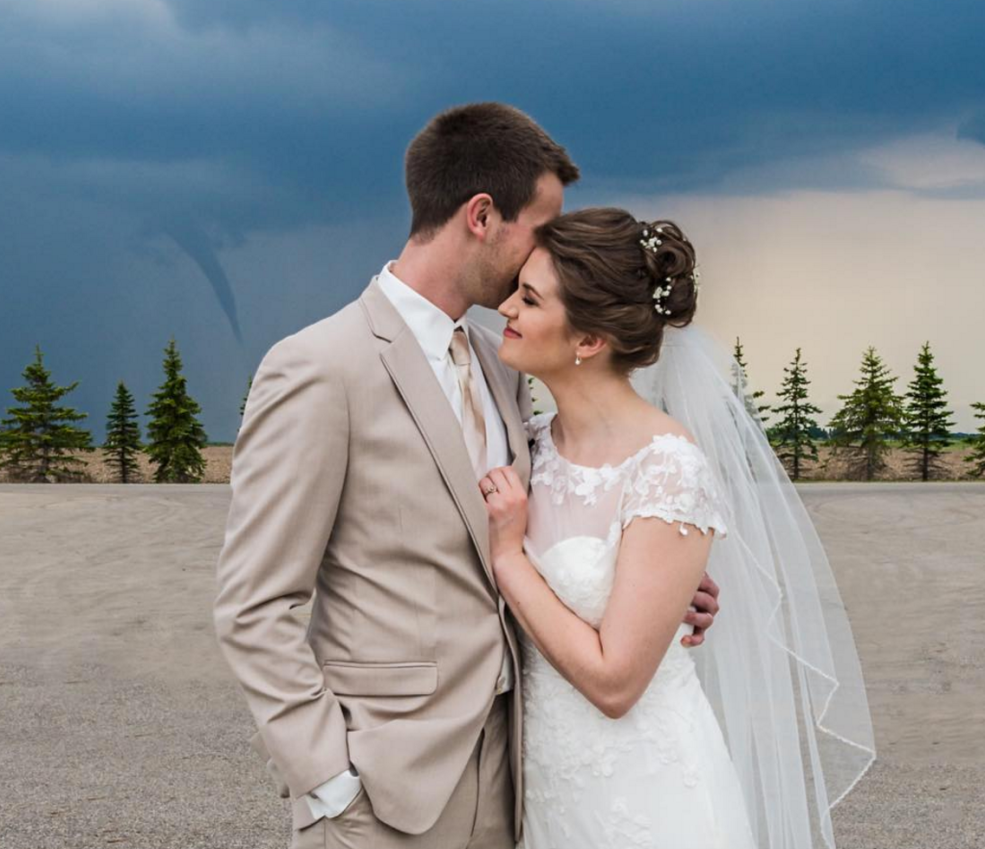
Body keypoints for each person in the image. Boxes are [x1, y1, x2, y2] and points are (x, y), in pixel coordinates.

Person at [212, 104, 723, 849]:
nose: (544, 254)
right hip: (383, 797)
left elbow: (553, 519)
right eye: (540, 229)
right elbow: (254, 603)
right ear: (482, 215)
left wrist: (650, 583)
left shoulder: (502, 366)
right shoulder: (321, 366)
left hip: (519, 785)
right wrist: (328, 781)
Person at [483, 207, 877, 848]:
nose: (505, 307)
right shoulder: (527, 448)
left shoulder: (668, 468)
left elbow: (616, 683)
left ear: (588, 340)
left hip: (646, 794)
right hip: (546, 791)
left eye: (528, 297)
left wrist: (509, 559)